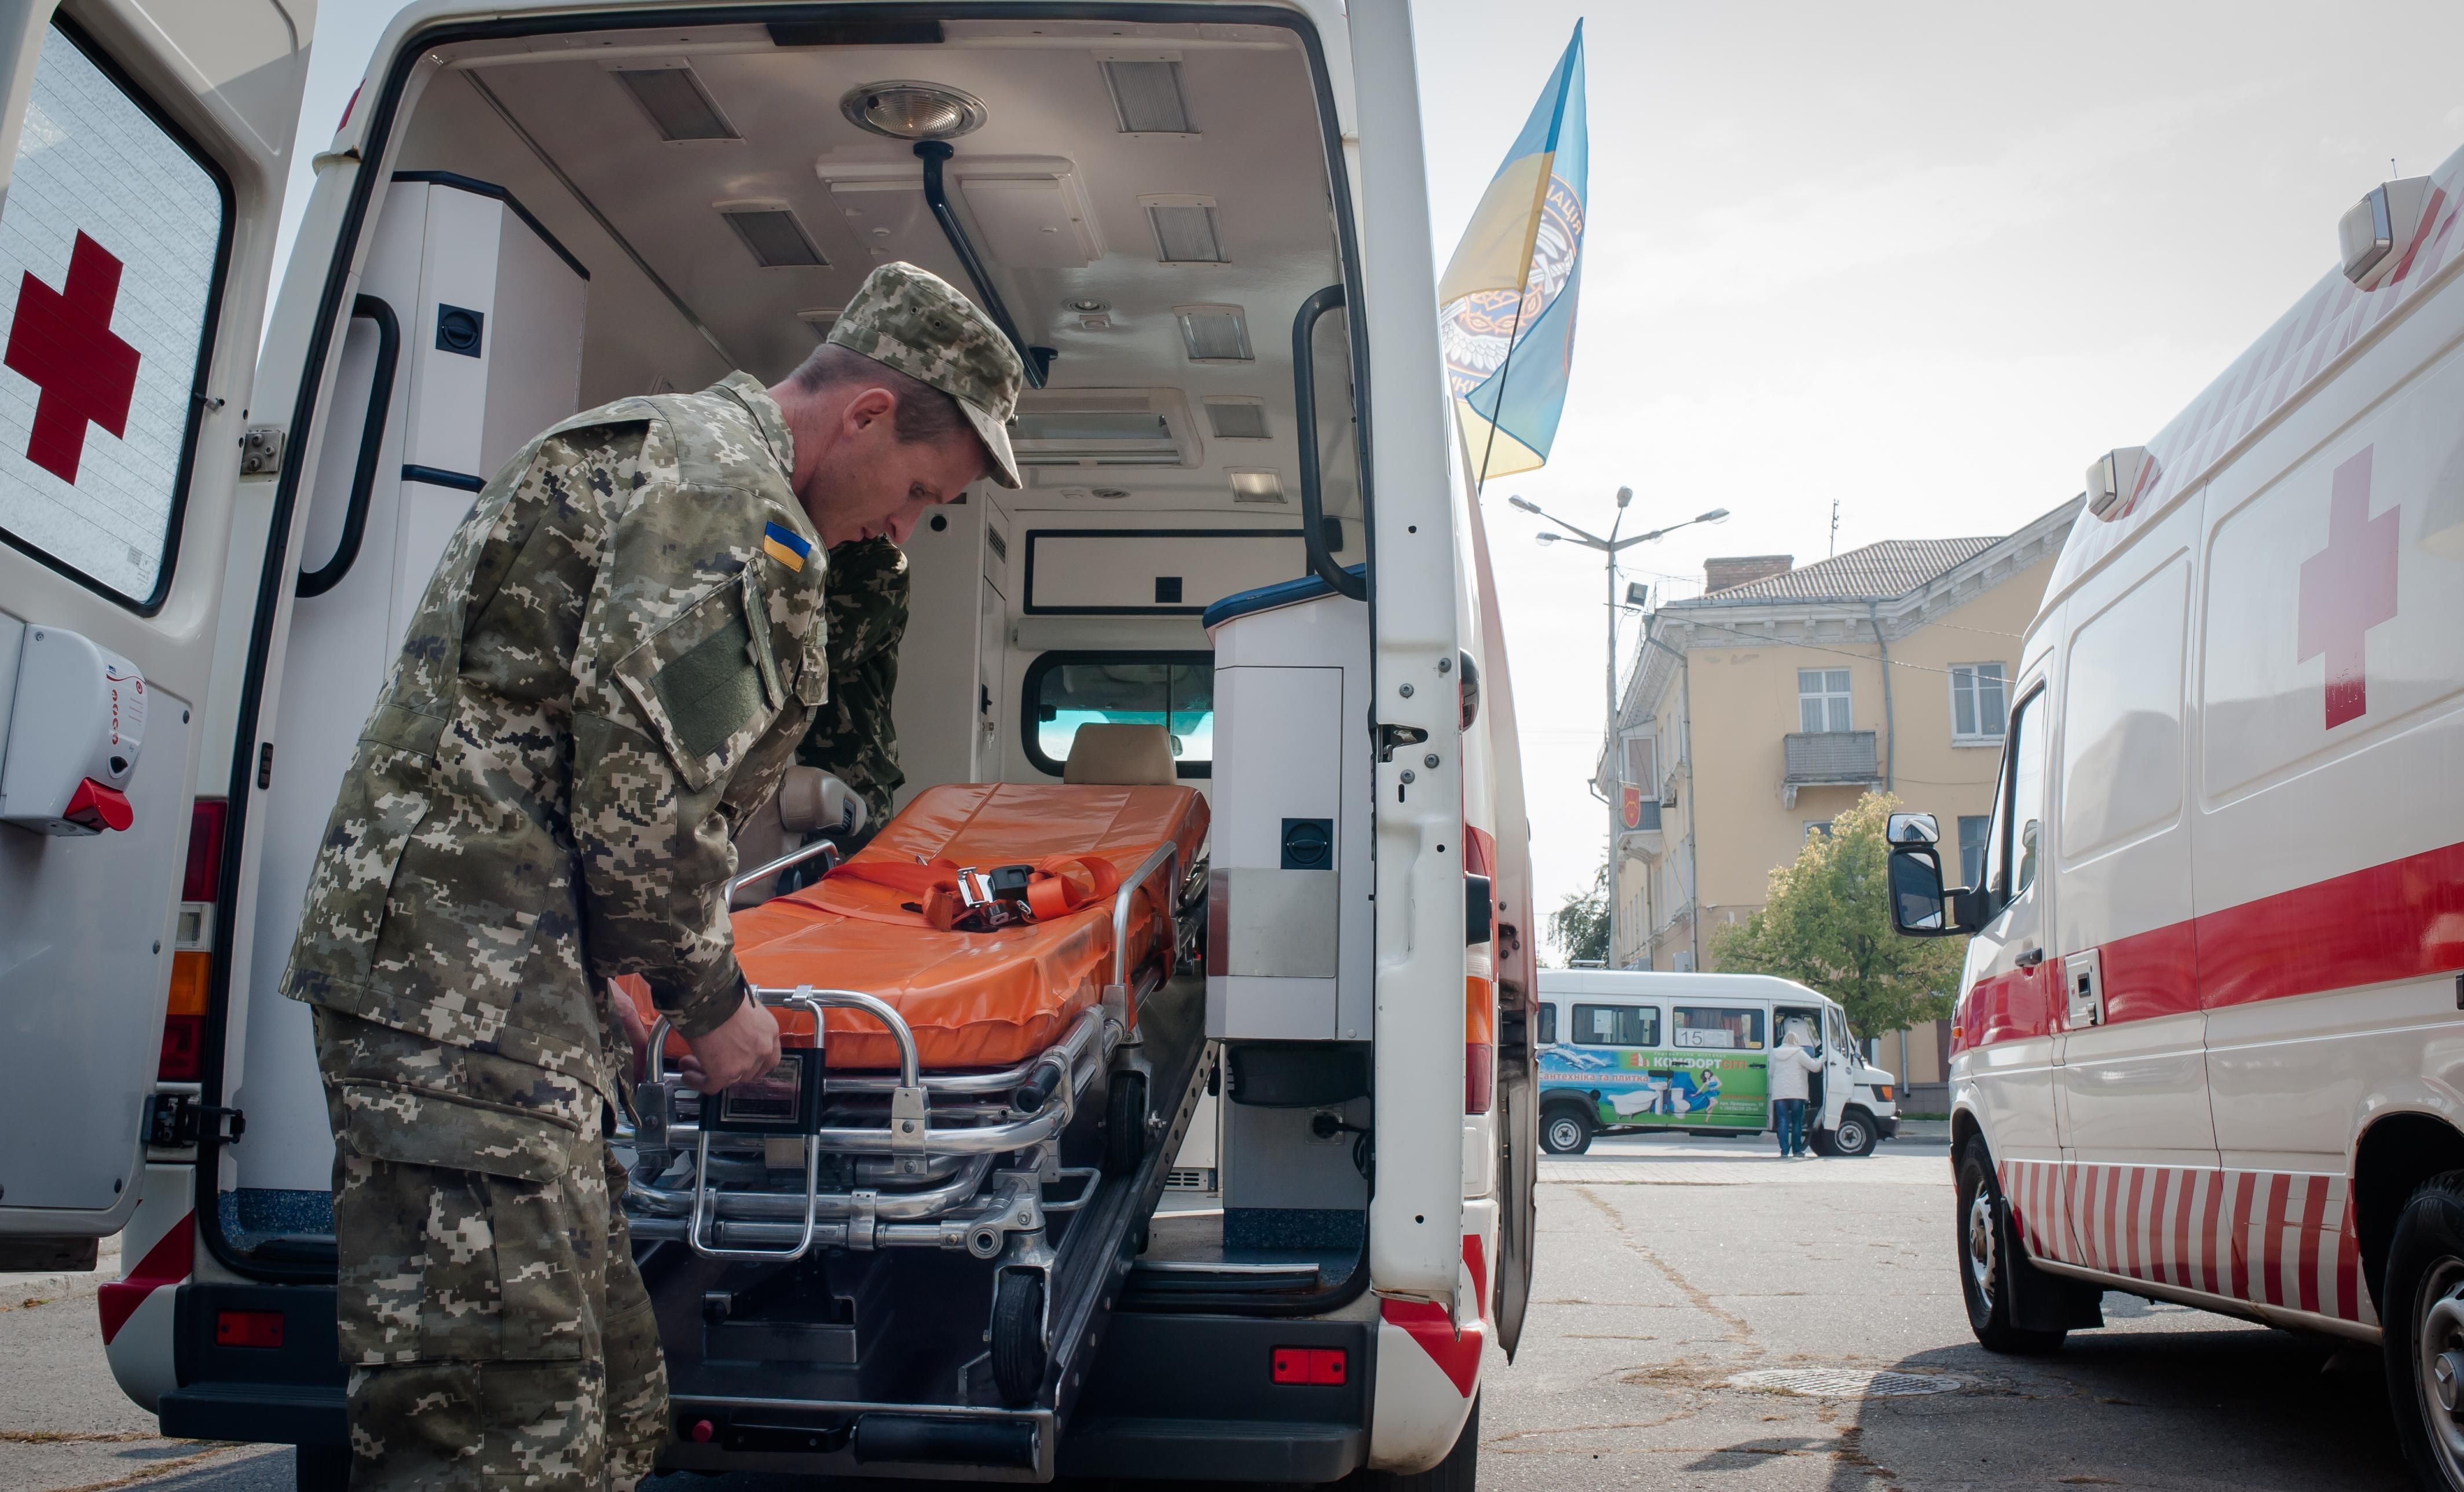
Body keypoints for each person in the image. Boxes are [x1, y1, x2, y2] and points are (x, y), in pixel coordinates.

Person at [277, 261, 1024, 1491]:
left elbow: (574, 755)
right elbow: (643, 806)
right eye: (916, 495)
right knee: (493, 1441)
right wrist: (713, 1002)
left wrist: (617, 972)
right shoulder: (720, 495)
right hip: (464, 1013)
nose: (899, 531)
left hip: (502, 996)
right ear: (868, 415)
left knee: (611, 1410)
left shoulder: (666, 459)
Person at [1769, 1019, 1823, 1159]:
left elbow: (1771, 1073)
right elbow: (1815, 1068)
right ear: (1797, 1041)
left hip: (1780, 1094)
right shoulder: (1799, 1053)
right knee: (1797, 1122)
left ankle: (1784, 1151)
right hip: (1797, 1093)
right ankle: (1797, 1150)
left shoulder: (1775, 1054)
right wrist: (1822, 1059)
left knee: (1782, 1121)